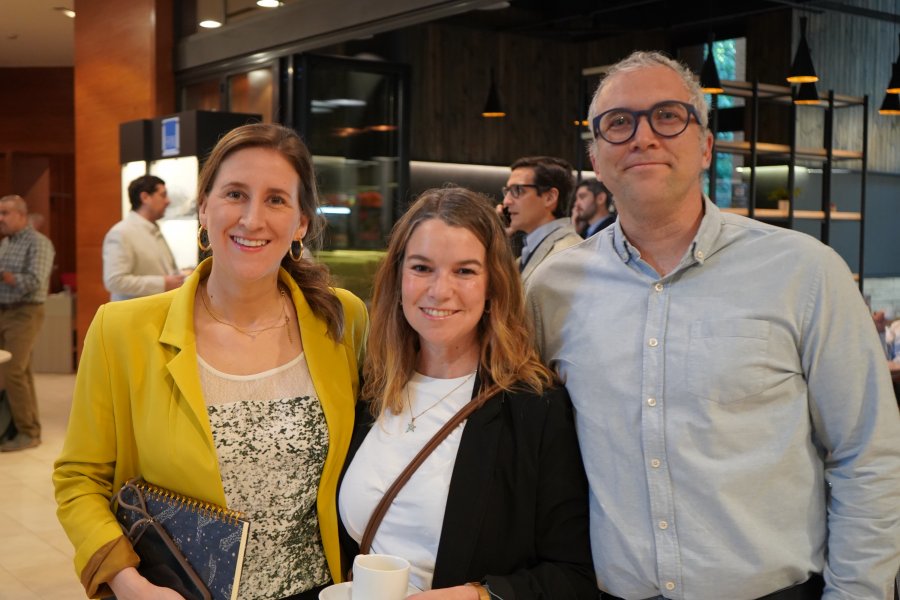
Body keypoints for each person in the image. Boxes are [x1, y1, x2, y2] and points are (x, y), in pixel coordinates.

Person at [526, 51, 900, 600]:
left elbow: (867, 454)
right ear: (596, 159)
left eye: (667, 116)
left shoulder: (805, 272)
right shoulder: (551, 290)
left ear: (705, 146)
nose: (643, 137)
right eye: (619, 122)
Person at [54, 123, 369, 600]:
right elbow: (79, 479)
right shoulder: (122, 330)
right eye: (235, 194)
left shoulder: (341, 319)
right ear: (204, 207)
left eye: (276, 200)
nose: (252, 219)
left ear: (301, 222)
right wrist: (127, 581)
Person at [338, 187, 595, 599]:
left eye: (464, 271)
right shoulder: (374, 386)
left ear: (493, 285)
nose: (440, 290)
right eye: (422, 268)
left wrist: (478, 596)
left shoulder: (535, 407)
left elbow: (573, 575)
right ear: (398, 278)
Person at [0, 194, 55, 452]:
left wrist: (6, 277)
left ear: (21, 215)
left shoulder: (39, 243)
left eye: (5, 213)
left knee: (13, 370)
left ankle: (28, 432)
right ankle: (15, 428)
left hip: (25, 312)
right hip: (4, 311)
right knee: (15, 371)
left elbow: (35, 281)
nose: (0, 219)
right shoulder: (6, 243)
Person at [102, 174, 185, 301]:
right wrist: (163, 283)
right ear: (145, 197)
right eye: (163, 195)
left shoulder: (153, 229)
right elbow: (114, 281)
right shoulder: (121, 232)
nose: (168, 201)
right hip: (135, 312)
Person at [501, 156, 582, 282]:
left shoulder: (568, 255)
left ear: (550, 198)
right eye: (507, 191)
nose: (506, 201)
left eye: (518, 190)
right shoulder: (526, 254)